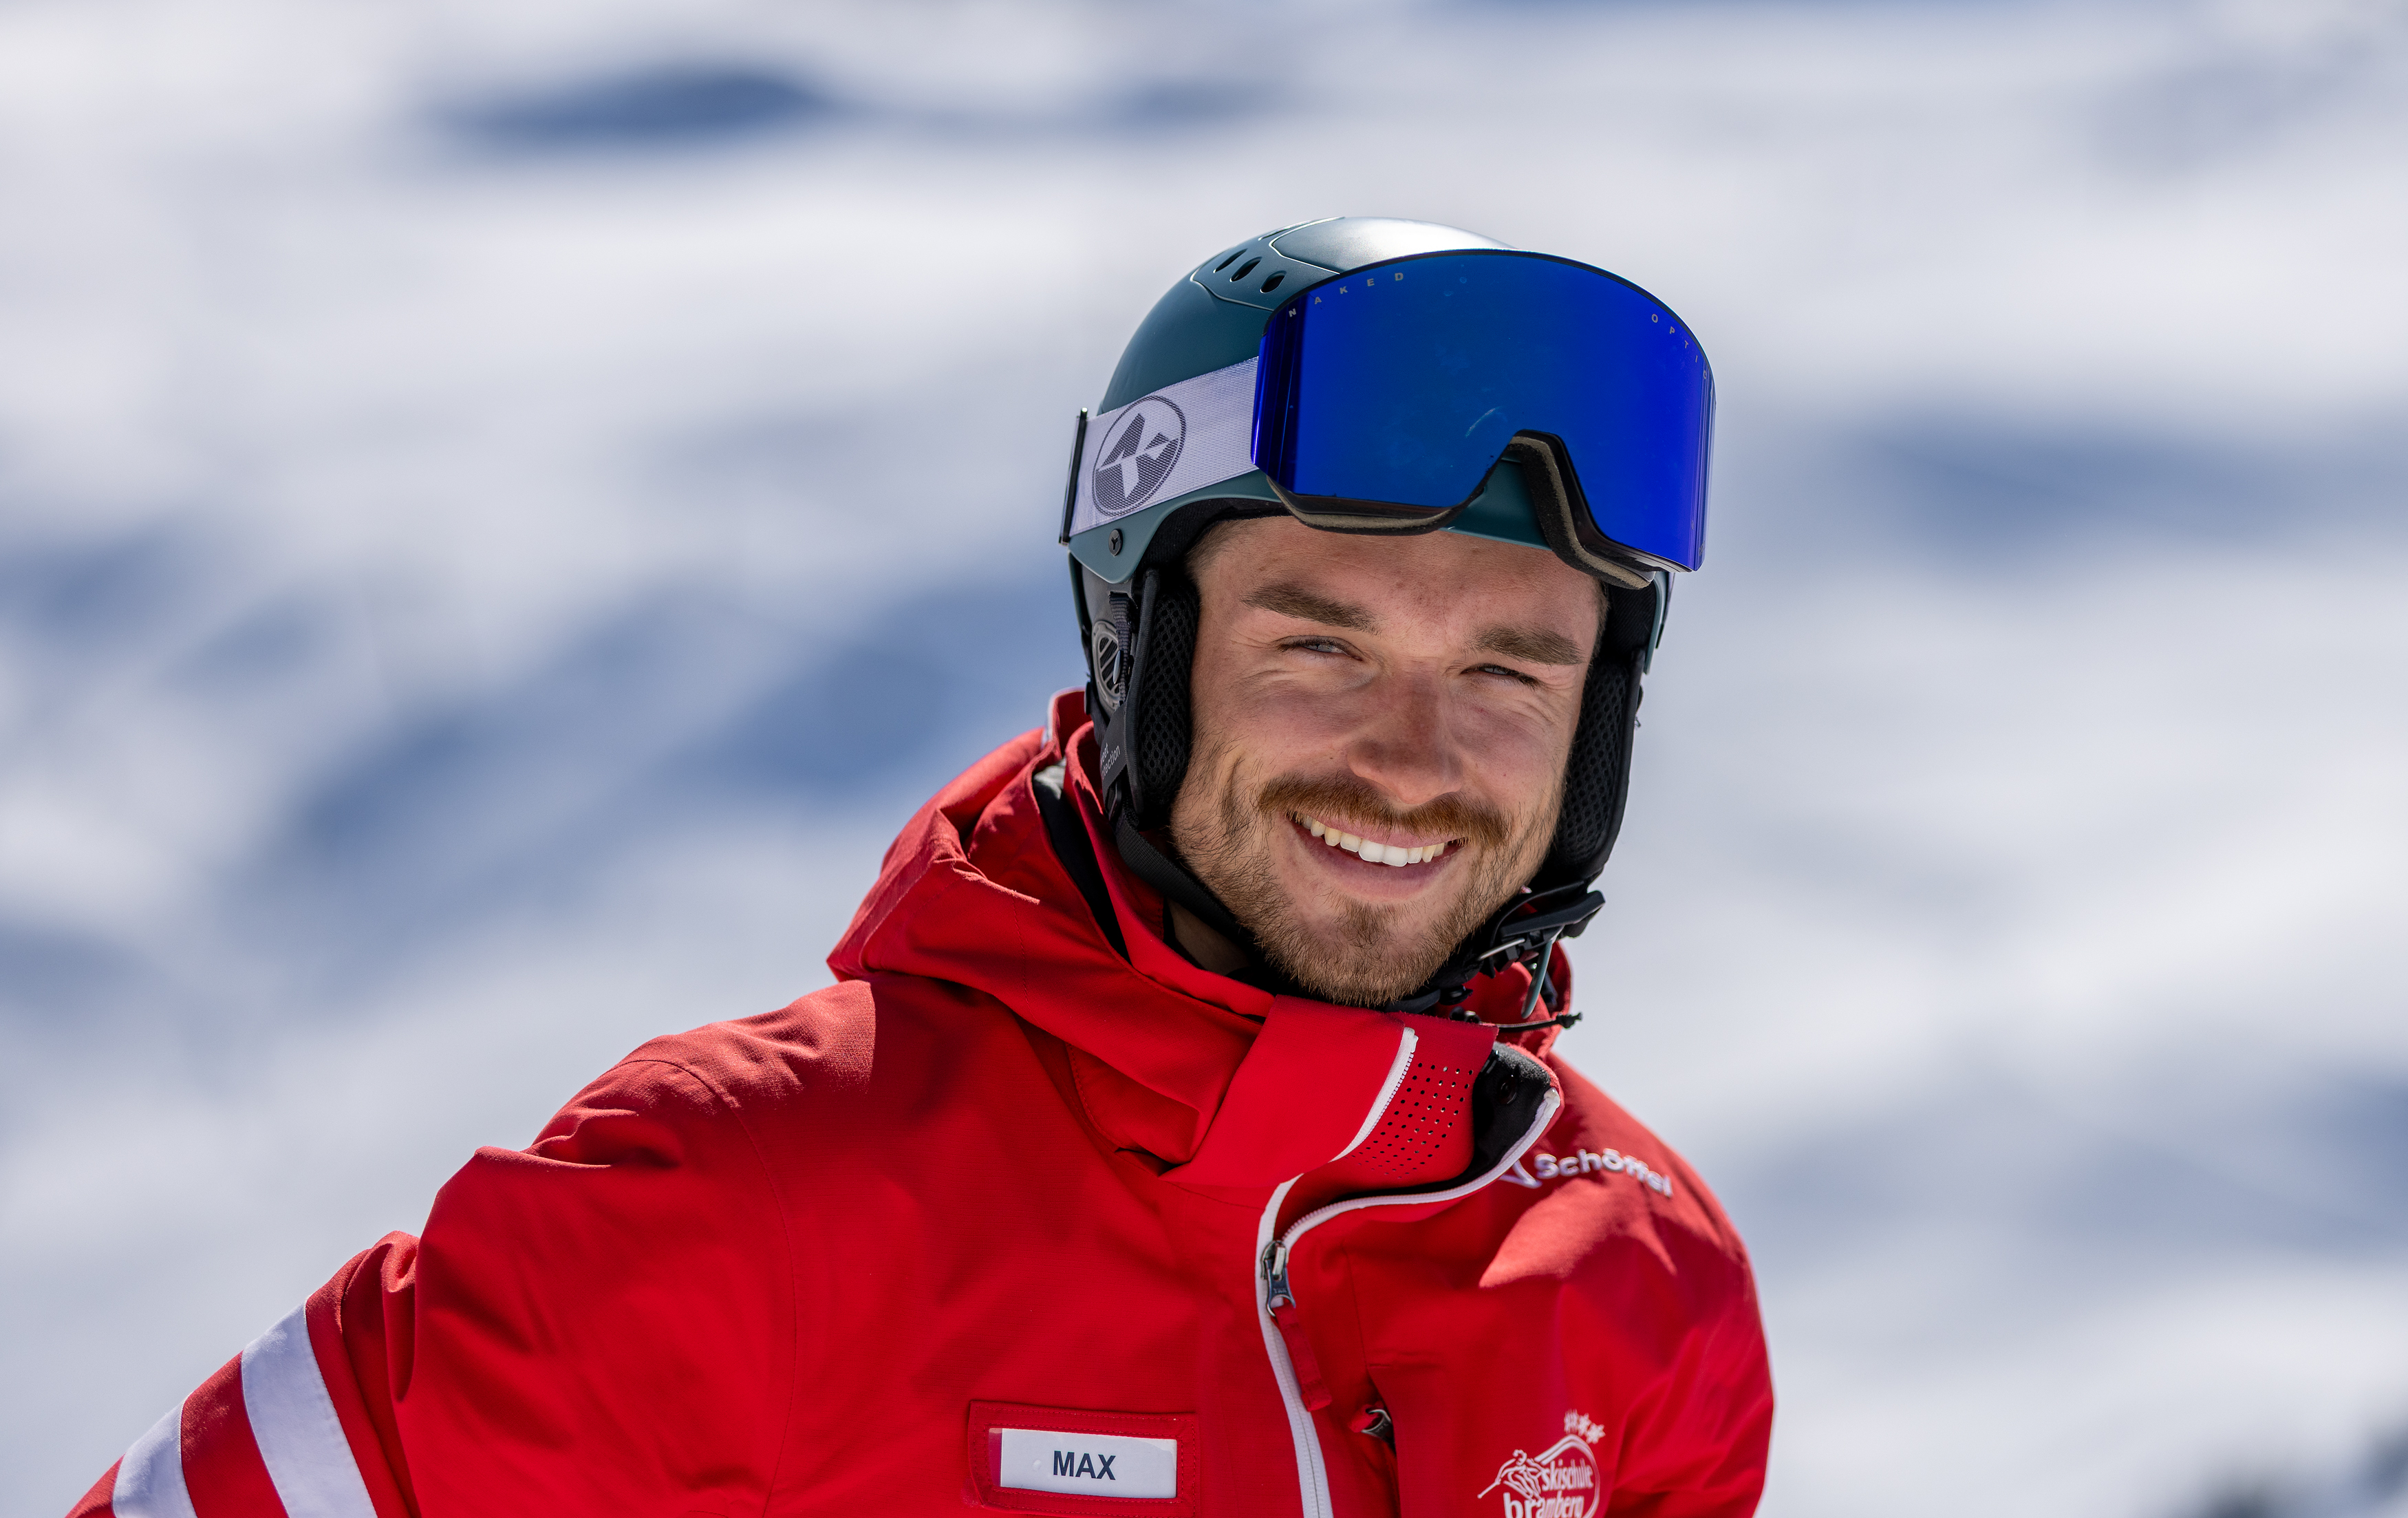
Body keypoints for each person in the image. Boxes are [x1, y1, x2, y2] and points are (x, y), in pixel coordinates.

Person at [71, 217, 1772, 1518]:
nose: (1409, 763)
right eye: (1319, 649)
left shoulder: (1641, 1278)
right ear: (1138, 653)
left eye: (1506, 675)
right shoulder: (739, 1194)